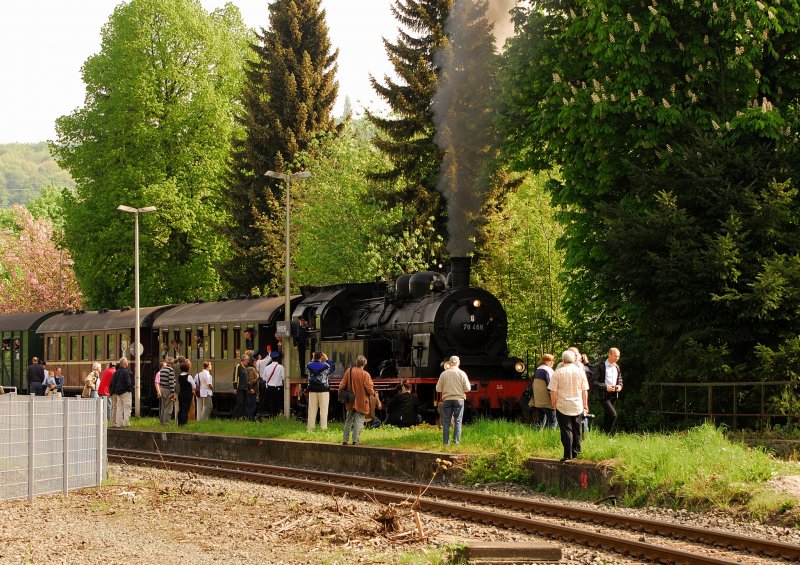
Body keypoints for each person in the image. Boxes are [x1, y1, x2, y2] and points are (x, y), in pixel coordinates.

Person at [548, 350, 590, 462]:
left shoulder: (558, 372)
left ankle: (567, 455)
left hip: (562, 405)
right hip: (577, 405)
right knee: (577, 430)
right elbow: (584, 391)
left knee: (566, 430)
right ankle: (577, 453)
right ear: (574, 360)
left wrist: (553, 403)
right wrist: (585, 404)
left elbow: (552, 391)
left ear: (563, 360)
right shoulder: (580, 372)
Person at [339, 355, 375, 445]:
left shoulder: (349, 371)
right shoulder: (365, 374)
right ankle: (355, 441)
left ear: (356, 362)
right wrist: (373, 393)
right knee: (359, 421)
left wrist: (340, 394)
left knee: (348, 421)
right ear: (364, 364)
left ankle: (345, 440)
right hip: (362, 401)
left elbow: (342, 385)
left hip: (350, 400)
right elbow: (370, 389)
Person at [435, 355, 471, 445]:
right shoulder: (462, 373)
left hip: (447, 399)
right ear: (458, 363)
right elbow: (467, 389)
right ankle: (456, 442)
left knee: (446, 421)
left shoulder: (443, 374)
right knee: (458, 421)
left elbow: (438, 389)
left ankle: (446, 443)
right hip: (459, 399)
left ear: (449, 363)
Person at [594, 348, 623, 434]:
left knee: (608, 415)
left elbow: (620, 380)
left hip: (613, 394)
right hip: (603, 394)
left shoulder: (617, 367)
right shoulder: (601, 366)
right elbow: (593, 381)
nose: (617, 358)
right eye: (615, 356)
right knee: (613, 414)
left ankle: (604, 435)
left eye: (618, 356)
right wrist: (605, 387)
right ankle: (608, 434)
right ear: (609, 354)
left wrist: (619, 386)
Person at [306, 351, 334, 431]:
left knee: (312, 410)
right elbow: (332, 369)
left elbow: (306, 370)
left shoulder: (308, 365)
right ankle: (323, 428)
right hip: (323, 391)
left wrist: (313, 359)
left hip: (312, 391)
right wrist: (327, 359)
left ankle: (310, 428)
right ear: (321, 357)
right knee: (323, 410)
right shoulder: (325, 366)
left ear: (314, 357)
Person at [530, 354, 556, 429]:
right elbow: (551, 386)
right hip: (548, 401)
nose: (552, 363)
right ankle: (551, 438)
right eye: (551, 361)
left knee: (540, 422)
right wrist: (554, 400)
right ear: (546, 361)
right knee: (552, 422)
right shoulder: (548, 370)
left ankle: (538, 436)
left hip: (538, 401)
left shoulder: (537, 370)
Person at [258, 351, 285, 417]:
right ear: (278, 358)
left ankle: (273, 416)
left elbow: (264, 378)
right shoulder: (281, 367)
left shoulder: (267, 367)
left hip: (269, 388)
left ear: (272, 358)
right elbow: (284, 378)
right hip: (278, 388)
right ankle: (278, 416)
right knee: (278, 403)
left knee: (271, 404)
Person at [111, 358, 133, 427]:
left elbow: (113, 383)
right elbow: (128, 382)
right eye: (127, 362)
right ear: (124, 363)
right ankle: (126, 423)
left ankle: (118, 424)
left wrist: (113, 392)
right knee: (127, 407)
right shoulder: (126, 372)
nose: (128, 364)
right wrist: (129, 389)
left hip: (117, 393)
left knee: (119, 409)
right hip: (125, 392)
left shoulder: (116, 372)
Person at [158, 358, 177, 425]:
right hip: (168, 389)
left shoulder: (162, 369)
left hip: (162, 388)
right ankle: (166, 422)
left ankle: (162, 421)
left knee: (163, 406)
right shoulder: (170, 370)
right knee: (169, 407)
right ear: (172, 363)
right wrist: (172, 392)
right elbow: (171, 381)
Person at [232, 355, 249, 420]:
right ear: (244, 360)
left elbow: (246, 379)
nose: (248, 361)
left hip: (245, 388)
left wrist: (249, 388)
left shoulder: (244, 368)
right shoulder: (238, 366)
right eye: (247, 360)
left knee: (244, 403)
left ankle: (240, 417)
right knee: (240, 402)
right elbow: (235, 377)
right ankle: (234, 417)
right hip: (240, 388)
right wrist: (235, 388)